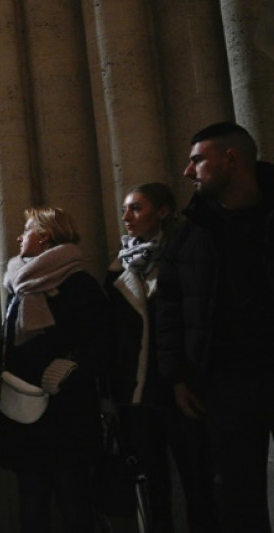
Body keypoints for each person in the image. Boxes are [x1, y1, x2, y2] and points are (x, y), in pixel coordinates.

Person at [157, 122, 274, 531]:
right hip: (226, 381)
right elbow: (169, 308)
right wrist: (178, 378)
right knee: (237, 495)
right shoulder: (192, 232)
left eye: (197, 160)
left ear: (231, 158)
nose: (188, 172)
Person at [0, 206, 111, 533]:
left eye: (26, 230)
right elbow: (6, 344)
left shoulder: (78, 284)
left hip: (67, 409)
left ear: (44, 236)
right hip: (24, 409)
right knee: (32, 500)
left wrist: (69, 371)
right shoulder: (20, 286)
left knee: (74, 501)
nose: (19, 237)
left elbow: (103, 341)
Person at [104, 183, 218, 531]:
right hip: (137, 396)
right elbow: (112, 337)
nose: (127, 217)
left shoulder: (181, 258)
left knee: (198, 479)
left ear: (163, 212)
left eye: (136, 208)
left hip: (177, 388)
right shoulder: (117, 270)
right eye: (125, 209)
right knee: (151, 485)